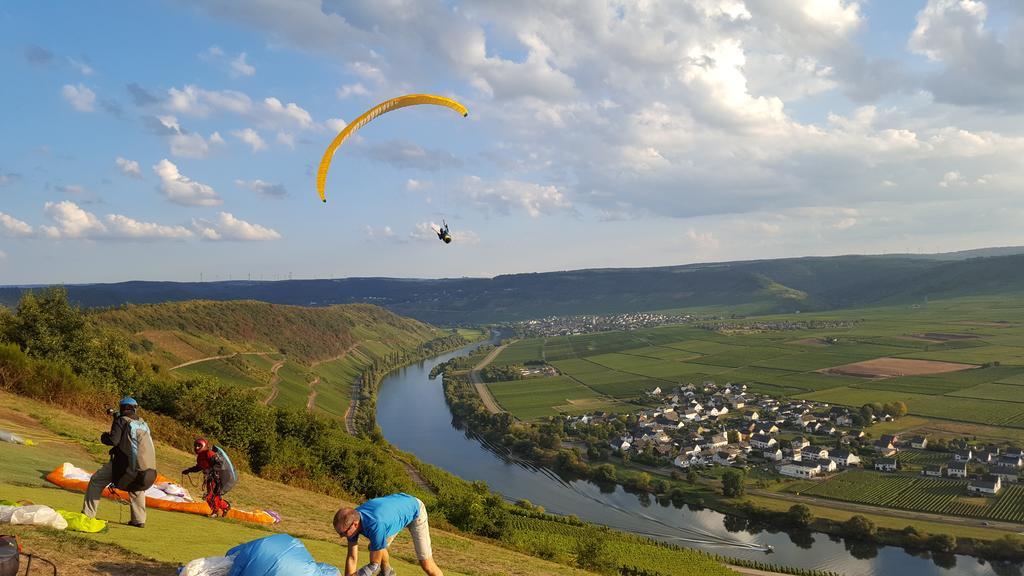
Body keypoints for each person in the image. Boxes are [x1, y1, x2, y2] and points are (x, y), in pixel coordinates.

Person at [82, 397, 154, 528]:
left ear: (122, 408)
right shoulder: (142, 423)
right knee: (136, 487)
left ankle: (87, 515)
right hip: (142, 467)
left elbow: (113, 440)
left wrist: (104, 437)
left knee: (96, 481)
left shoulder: (121, 421)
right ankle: (139, 520)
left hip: (123, 464)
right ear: (134, 408)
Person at [334, 493, 442, 576]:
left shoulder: (375, 525)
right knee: (376, 546)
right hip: (394, 512)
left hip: (415, 510)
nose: (341, 536)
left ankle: (387, 572)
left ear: (355, 524)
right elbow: (352, 557)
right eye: (340, 533)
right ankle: (387, 572)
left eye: (343, 533)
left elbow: (374, 566)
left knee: (426, 564)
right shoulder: (352, 518)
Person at [182, 438, 231, 517]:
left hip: (217, 478)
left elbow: (221, 463)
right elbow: (198, 467)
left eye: (199, 446)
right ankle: (225, 507)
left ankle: (215, 512)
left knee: (211, 496)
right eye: (196, 446)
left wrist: (210, 470)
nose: (197, 447)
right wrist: (188, 470)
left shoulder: (209, 453)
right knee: (213, 496)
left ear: (204, 446)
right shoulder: (199, 457)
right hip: (210, 478)